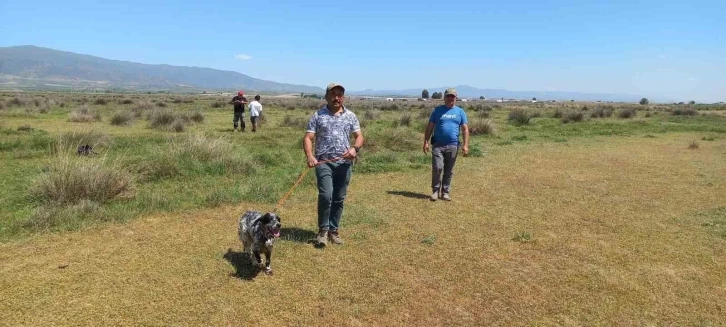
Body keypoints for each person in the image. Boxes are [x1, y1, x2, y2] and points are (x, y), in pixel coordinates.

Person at [303, 83, 364, 247]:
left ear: (343, 97)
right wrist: (310, 156)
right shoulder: (318, 115)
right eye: (333, 94)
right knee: (326, 195)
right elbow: (308, 138)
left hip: (344, 163)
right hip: (323, 162)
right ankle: (323, 231)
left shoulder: (351, 115)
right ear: (326, 97)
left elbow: (359, 136)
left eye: (339, 94)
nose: (336, 97)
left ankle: (334, 231)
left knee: (339, 198)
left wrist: (355, 149)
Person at [423, 88, 469, 201]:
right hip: (438, 145)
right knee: (438, 168)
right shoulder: (437, 111)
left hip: (453, 145)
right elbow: (430, 127)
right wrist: (426, 142)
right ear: (444, 98)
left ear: (455, 98)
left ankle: (445, 192)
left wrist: (465, 145)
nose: (450, 98)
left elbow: (465, 129)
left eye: (452, 96)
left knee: (449, 170)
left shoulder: (460, 112)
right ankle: (435, 191)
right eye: (448, 96)